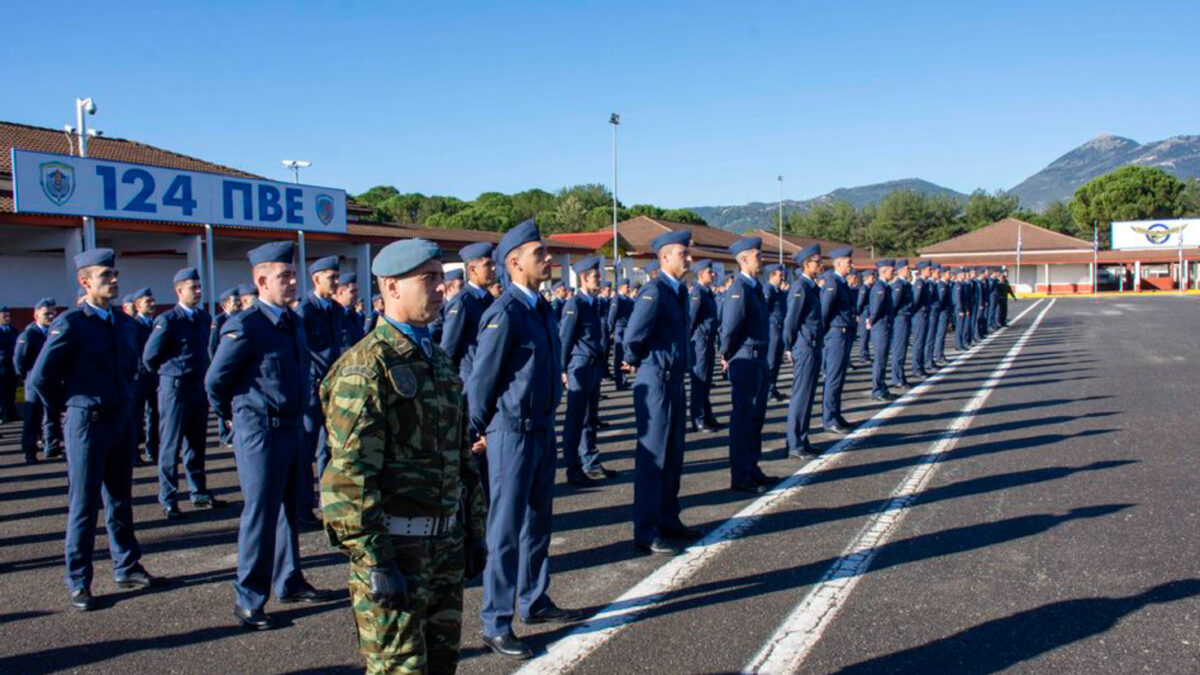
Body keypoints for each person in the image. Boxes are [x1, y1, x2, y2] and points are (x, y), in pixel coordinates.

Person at [321, 238, 488, 675]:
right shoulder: (366, 368)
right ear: (392, 287)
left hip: (443, 546)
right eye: (428, 279)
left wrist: (474, 529)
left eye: (441, 278)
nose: (441, 288)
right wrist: (375, 561)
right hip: (396, 551)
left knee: (441, 665)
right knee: (401, 669)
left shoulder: (437, 361)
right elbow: (349, 478)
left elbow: (461, 456)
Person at [468, 220, 585, 658]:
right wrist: (474, 432)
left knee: (538, 523)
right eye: (541, 253)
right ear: (515, 263)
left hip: (540, 429)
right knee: (504, 529)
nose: (549, 258)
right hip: (511, 433)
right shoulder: (506, 313)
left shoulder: (541, 308)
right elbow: (482, 382)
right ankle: (496, 620)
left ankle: (533, 599)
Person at [206, 241, 336, 630]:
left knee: (289, 510)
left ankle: (289, 579)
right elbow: (215, 381)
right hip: (260, 430)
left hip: (293, 428)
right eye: (285, 276)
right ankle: (249, 596)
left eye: (294, 275)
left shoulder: (292, 321)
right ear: (261, 281)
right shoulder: (246, 326)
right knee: (260, 515)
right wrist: (233, 417)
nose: (293, 281)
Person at [29, 248, 161, 611]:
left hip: (120, 420)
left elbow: (132, 368)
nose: (114, 280)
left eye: (115, 274)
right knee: (84, 506)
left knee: (120, 500)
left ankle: (127, 566)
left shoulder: (124, 324)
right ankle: (78, 580)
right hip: (86, 422)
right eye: (106, 276)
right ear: (85, 282)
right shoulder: (71, 323)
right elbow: (41, 377)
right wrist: (70, 407)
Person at [624, 230, 701, 555]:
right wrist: (641, 362)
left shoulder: (678, 291)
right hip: (656, 379)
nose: (690, 259)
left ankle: (669, 519)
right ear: (666, 257)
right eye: (684, 253)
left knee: (673, 455)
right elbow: (633, 337)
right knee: (653, 458)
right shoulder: (654, 291)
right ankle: (646, 530)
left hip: (673, 380)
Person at [143, 268, 223, 518]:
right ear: (179, 291)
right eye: (193, 288)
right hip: (174, 388)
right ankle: (168, 498)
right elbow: (149, 357)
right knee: (170, 445)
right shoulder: (168, 320)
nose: (198, 292)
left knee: (196, 444)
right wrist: (169, 374)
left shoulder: (201, 318)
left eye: (199, 287)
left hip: (196, 387)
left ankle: (198, 492)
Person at [719, 236, 779, 494]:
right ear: (743, 259)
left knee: (756, 418)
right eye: (758, 255)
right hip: (744, 359)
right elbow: (730, 328)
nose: (762, 259)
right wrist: (726, 354)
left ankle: (752, 466)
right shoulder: (739, 289)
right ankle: (740, 474)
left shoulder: (754, 287)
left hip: (759, 358)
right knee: (743, 419)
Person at [440, 242, 496, 495]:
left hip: (488, 384)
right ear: (472, 269)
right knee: (474, 454)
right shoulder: (462, 303)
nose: (493, 269)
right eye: (487, 265)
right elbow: (448, 351)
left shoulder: (487, 300)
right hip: (470, 387)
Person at [295, 255, 345, 526]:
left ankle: (328, 498)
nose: (336, 282)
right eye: (331, 278)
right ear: (316, 280)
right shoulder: (305, 311)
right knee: (306, 447)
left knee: (330, 445)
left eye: (337, 277)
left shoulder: (336, 310)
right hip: (313, 388)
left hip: (333, 387)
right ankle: (303, 505)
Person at [558, 256, 614, 486]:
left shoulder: (595, 303)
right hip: (579, 366)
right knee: (575, 419)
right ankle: (573, 467)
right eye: (596, 277)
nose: (600, 280)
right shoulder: (575, 304)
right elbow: (565, 339)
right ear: (583, 278)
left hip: (593, 365)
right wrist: (561, 369)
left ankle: (591, 462)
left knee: (591, 418)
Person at [782, 244, 824, 457]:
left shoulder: (811, 287)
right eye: (817, 261)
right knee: (801, 395)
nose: (821, 264)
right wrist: (788, 346)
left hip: (813, 345)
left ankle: (802, 438)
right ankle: (795, 443)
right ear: (807, 264)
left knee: (807, 396)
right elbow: (791, 321)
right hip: (804, 346)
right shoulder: (800, 288)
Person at [14, 297, 62, 462]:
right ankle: (30, 451)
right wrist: (29, 376)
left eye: (53, 314)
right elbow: (20, 361)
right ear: (36, 315)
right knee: (32, 418)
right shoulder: (29, 334)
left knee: (51, 415)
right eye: (46, 314)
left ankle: (52, 447)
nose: (50, 317)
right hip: (34, 383)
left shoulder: (54, 333)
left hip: (51, 381)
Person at [820, 247, 858, 434]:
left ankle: (836, 413)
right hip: (836, 334)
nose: (852, 265)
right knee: (833, 377)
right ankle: (829, 418)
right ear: (839, 263)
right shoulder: (832, 283)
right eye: (849, 262)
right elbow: (824, 312)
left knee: (840, 377)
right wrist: (826, 335)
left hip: (844, 333)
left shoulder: (841, 283)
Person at [688, 259, 722, 433]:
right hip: (700, 342)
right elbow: (690, 321)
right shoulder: (697, 294)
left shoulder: (707, 292)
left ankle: (707, 415)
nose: (714, 274)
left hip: (708, 342)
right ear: (701, 274)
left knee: (707, 381)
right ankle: (698, 419)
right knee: (699, 382)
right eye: (710, 272)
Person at [210, 287, 241, 447]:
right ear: (225, 304)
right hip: (223, 365)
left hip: (235, 367)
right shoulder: (219, 320)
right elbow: (213, 346)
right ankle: (224, 434)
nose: (238, 303)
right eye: (234, 301)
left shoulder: (241, 318)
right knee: (223, 399)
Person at [867, 260, 898, 402]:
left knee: (883, 358)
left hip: (885, 324)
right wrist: (871, 320)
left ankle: (882, 387)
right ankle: (877, 390)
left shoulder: (885, 286)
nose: (893, 273)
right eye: (891, 271)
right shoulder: (880, 287)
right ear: (884, 272)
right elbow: (876, 307)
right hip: (880, 325)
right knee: (879, 359)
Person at [763, 264, 788, 400]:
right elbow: (764, 311)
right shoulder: (768, 290)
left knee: (777, 360)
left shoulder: (778, 291)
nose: (782, 277)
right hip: (773, 328)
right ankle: (767, 389)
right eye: (780, 275)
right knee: (771, 360)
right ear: (772, 275)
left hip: (780, 328)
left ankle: (773, 387)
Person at [889, 259, 914, 389]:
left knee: (903, 349)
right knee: (899, 349)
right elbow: (894, 304)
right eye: (907, 269)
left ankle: (901, 376)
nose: (909, 271)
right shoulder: (899, 284)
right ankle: (897, 378)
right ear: (900, 270)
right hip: (900, 319)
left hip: (905, 318)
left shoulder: (906, 285)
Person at [607, 280, 635, 391]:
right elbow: (612, 316)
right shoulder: (617, 299)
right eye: (627, 287)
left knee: (624, 356)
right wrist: (610, 330)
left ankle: (623, 380)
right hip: (620, 329)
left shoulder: (627, 299)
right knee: (619, 357)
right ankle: (620, 382)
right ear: (622, 287)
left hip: (626, 329)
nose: (629, 289)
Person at [335, 272, 365, 349]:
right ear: (341, 292)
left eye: (356, 291)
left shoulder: (355, 316)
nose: (356, 295)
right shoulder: (333, 315)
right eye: (352, 291)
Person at [0, 305, 17, 423]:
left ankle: (11, 414)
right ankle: (1, 415)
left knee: (11, 390)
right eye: (4, 316)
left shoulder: (14, 330)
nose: (7, 318)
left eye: (8, 316)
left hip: (11, 365)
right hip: (1, 365)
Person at [856, 267, 875, 365]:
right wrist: (859, 314)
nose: (874, 279)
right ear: (867, 278)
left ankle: (866, 354)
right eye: (872, 277)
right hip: (865, 314)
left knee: (867, 336)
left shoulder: (870, 288)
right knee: (864, 336)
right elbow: (860, 303)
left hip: (868, 313)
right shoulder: (864, 288)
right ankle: (863, 355)